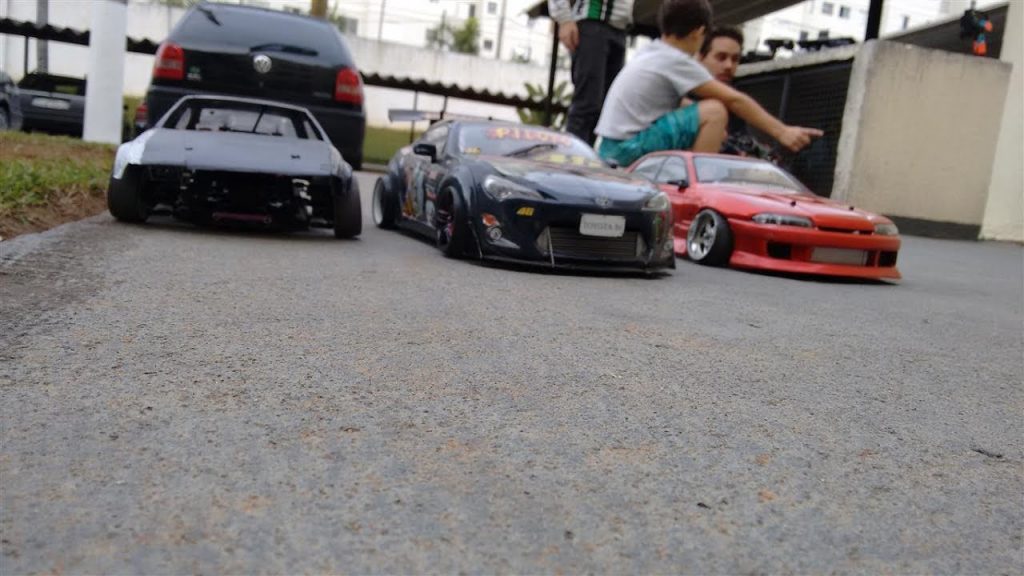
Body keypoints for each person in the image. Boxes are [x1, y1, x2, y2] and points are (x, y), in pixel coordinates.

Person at [595, 0, 822, 168]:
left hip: (610, 146)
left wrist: (711, 132)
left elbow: (670, 105)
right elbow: (734, 100)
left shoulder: (652, 52)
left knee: (705, 116)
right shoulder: (675, 59)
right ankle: (695, 190)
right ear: (700, 32)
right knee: (715, 111)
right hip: (626, 149)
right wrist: (782, 131)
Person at [548, 0, 633, 146]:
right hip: (592, 23)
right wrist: (564, 19)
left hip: (620, 29)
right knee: (587, 104)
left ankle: (585, 155)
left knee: (605, 109)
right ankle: (573, 156)